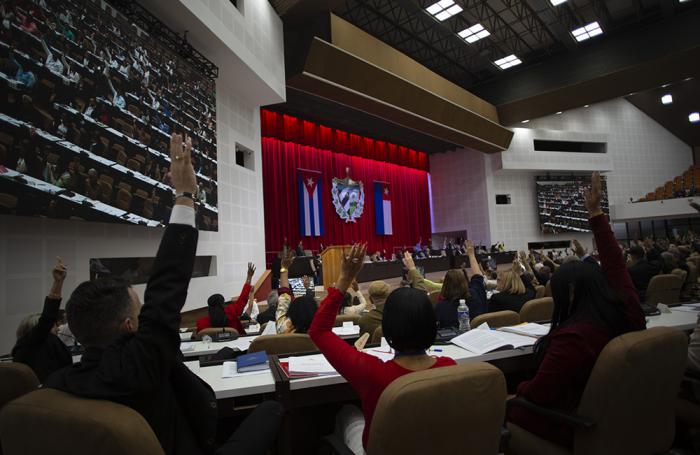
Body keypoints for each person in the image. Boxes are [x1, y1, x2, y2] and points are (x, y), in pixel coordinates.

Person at [45, 133, 283, 455]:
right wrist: (185, 195)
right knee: (272, 409)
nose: (146, 312)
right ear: (130, 326)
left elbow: (162, 295)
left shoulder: (56, 387)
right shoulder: (141, 367)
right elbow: (167, 286)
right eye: (140, 310)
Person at [507, 172, 646, 448]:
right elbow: (616, 267)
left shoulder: (574, 338)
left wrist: (515, 388)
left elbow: (538, 393)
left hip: (578, 427)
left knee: (504, 407)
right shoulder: (629, 311)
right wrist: (595, 213)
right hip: (629, 421)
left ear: (570, 294)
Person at [308, 244, 456, 453]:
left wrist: (344, 279)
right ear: (433, 325)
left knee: (347, 412)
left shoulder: (372, 373)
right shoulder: (450, 368)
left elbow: (319, 331)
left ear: (387, 329)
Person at [12, 258, 72, 383]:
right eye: (53, 325)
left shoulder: (25, 347)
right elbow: (47, 318)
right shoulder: (36, 342)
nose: (57, 328)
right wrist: (58, 282)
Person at [195, 263, 255, 335]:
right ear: (222, 305)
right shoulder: (231, 312)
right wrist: (249, 277)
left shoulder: (201, 323)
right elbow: (243, 297)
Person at [275, 251, 317, 333]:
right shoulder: (319, 332)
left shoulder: (282, 330)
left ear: (291, 313)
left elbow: (284, 298)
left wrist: (284, 269)